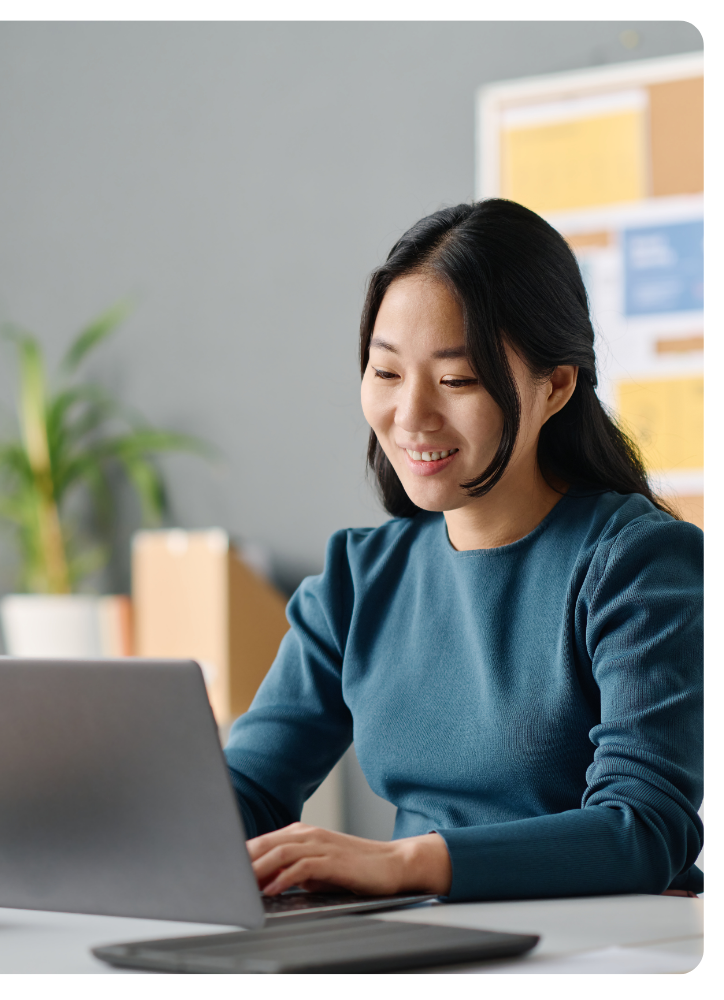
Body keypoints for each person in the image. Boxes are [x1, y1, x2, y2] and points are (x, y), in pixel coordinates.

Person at [224, 200, 704, 901]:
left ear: (557, 385)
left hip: (598, 947)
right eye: (386, 373)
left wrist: (403, 863)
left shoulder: (638, 565)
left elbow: (642, 829)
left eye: (457, 380)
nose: (411, 415)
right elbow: (251, 787)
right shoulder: (359, 580)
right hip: (417, 935)